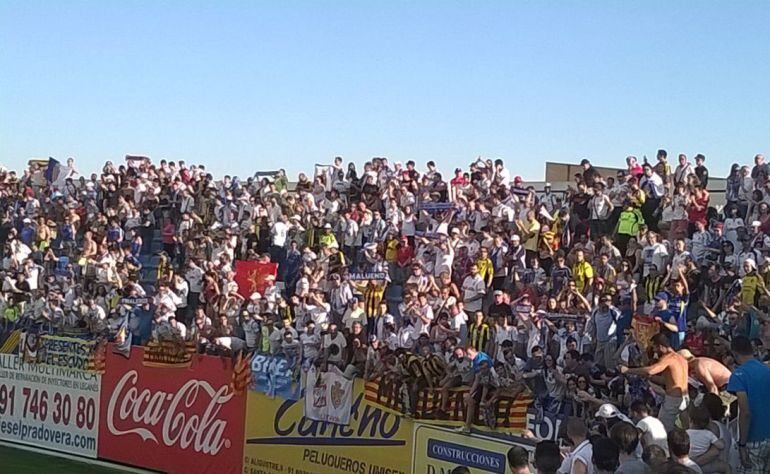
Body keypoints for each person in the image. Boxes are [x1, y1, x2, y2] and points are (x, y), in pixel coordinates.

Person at [620, 333, 689, 431]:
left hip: (673, 399)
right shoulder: (681, 358)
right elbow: (666, 380)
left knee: (663, 429)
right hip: (685, 398)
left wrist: (628, 370)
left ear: (660, 346)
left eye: (655, 348)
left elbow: (651, 370)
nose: (654, 351)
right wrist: (649, 378)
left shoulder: (669, 358)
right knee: (683, 428)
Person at [727, 335, 770, 473]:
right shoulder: (766, 369)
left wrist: (742, 444)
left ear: (734, 353)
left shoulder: (739, 375)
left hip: (753, 438)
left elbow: (745, 413)